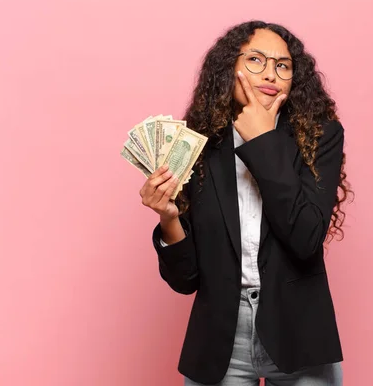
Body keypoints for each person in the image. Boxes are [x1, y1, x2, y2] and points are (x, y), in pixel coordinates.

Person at [139, 20, 351, 386]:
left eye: (282, 65)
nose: (269, 73)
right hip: (221, 336)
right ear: (229, 68)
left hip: (298, 332)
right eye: (255, 60)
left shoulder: (321, 136)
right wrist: (169, 218)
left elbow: (306, 239)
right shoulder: (197, 143)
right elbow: (185, 281)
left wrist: (263, 141)